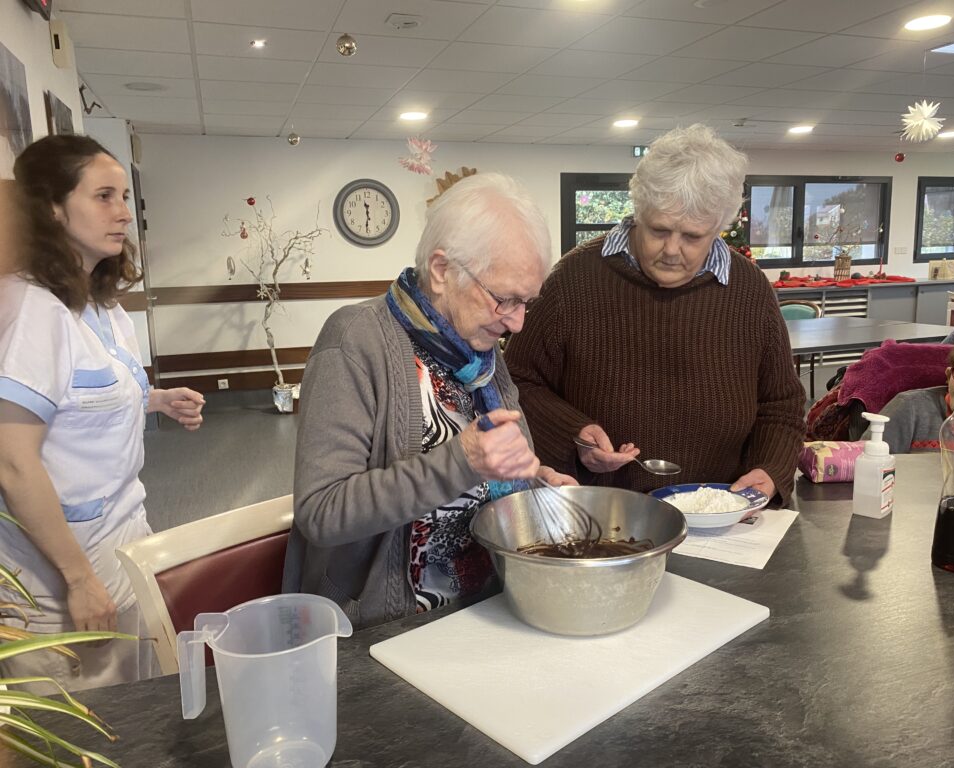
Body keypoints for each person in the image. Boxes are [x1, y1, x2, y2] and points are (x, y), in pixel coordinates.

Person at [283, 172, 574, 630]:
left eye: (527, 302)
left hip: (491, 605)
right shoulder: (355, 340)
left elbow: (491, 476)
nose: (517, 322)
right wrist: (461, 461)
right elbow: (322, 512)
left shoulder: (481, 352)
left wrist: (535, 482)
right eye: (505, 299)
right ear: (441, 270)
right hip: (388, 625)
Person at [0, 135, 205, 693]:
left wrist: (155, 399)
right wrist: (78, 579)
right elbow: (13, 462)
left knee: (137, 707)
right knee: (92, 726)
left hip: (121, 545)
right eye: (104, 196)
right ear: (51, 208)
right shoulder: (31, 309)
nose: (123, 214)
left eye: (124, 198)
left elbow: (77, 401)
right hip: (59, 578)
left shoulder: (100, 304)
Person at [503, 124, 806, 500]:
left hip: (722, 508)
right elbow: (516, 381)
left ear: (719, 227)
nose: (672, 250)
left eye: (693, 236)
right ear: (639, 211)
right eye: (659, 230)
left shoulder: (749, 289)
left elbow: (781, 404)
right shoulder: (574, 279)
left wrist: (770, 469)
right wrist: (574, 433)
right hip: (606, 510)